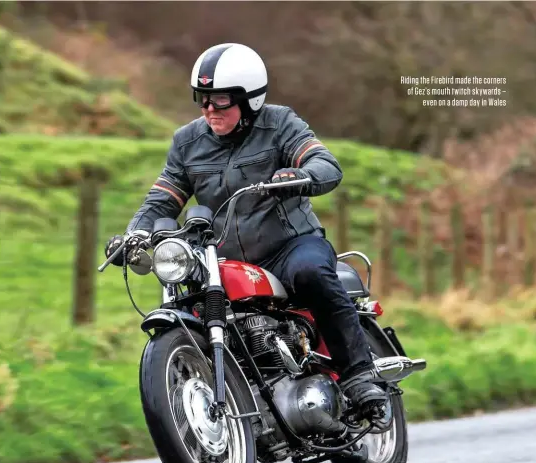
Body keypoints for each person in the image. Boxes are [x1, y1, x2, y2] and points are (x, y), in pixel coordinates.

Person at [104, 43, 387, 421]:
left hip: (289, 246)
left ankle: (359, 374)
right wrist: (134, 235)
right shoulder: (187, 142)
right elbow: (162, 198)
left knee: (311, 273)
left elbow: (325, 164)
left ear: (250, 100)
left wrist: (301, 176)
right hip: (222, 258)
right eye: (202, 100)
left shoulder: (280, 123)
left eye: (219, 101)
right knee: (191, 301)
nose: (208, 110)